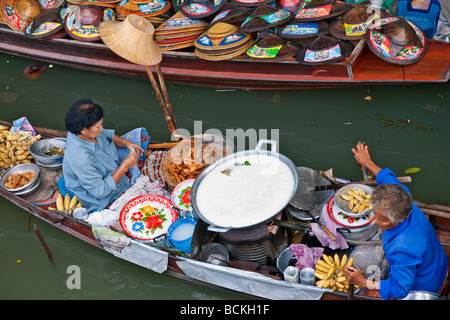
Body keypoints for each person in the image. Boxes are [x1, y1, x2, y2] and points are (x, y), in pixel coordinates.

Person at [344, 141, 448, 300]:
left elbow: (400, 290)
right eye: (375, 215)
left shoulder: (403, 248)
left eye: (382, 221)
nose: (376, 222)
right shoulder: (400, 196)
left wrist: (363, 282)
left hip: (424, 283)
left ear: (401, 218)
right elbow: (387, 178)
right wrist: (366, 162)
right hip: (436, 261)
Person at [62, 98, 149, 214]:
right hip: (100, 195)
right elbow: (100, 191)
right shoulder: (81, 158)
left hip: (110, 164)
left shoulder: (87, 131)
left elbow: (108, 135)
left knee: (141, 135)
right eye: (98, 126)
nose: (101, 128)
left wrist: (126, 143)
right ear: (83, 130)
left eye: (101, 124)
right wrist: (124, 167)